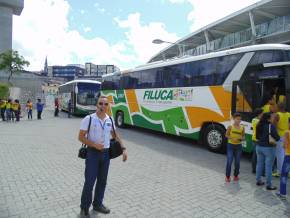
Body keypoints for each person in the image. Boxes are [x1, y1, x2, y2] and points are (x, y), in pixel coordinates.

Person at [78, 96, 128, 217]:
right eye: (101, 103)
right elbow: (81, 137)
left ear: (108, 106)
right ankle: (84, 207)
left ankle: (97, 204)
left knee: (102, 181)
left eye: (106, 104)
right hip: (92, 153)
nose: (103, 106)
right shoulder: (89, 119)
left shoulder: (110, 119)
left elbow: (115, 135)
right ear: (97, 105)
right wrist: (94, 144)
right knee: (89, 182)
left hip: (106, 155)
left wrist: (124, 149)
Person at [256, 112, 280, 190]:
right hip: (269, 148)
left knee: (259, 164)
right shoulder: (271, 126)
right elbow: (277, 138)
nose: (273, 118)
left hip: (259, 147)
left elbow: (257, 136)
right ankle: (269, 185)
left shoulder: (259, 124)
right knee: (269, 166)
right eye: (272, 117)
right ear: (269, 118)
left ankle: (258, 180)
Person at [225, 112, 245, 182]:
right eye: (237, 119)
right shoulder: (230, 127)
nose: (238, 121)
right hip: (230, 145)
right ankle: (227, 176)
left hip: (238, 146)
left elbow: (243, 136)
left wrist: (242, 138)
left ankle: (236, 175)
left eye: (240, 119)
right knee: (229, 161)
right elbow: (226, 135)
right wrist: (232, 138)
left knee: (237, 162)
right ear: (233, 119)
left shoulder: (242, 127)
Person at [273, 103, 290, 177]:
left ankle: (280, 171)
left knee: (280, 155)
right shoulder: (289, 114)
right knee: (288, 154)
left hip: (280, 136)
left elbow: (273, 125)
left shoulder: (277, 115)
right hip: (288, 135)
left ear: (278, 107)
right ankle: (288, 172)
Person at [276, 118, 290, 200]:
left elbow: (284, 146)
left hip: (288, 156)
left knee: (284, 175)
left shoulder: (287, 133)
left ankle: (283, 193)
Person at [251, 108, 263, 173]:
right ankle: (254, 169)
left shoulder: (254, 119)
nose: (263, 115)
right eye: (262, 114)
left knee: (255, 155)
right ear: (259, 114)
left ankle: (255, 169)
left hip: (255, 139)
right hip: (256, 140)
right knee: (255, 156)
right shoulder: (255, 120)